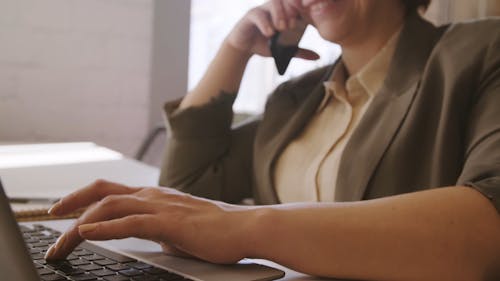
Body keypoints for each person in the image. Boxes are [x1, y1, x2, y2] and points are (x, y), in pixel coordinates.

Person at [45, 0, 500, 280]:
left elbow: (487, 229)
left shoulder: (480, 51)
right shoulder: (295, 98)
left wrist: (245, 227)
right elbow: (189, 186)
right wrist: (236, 48)